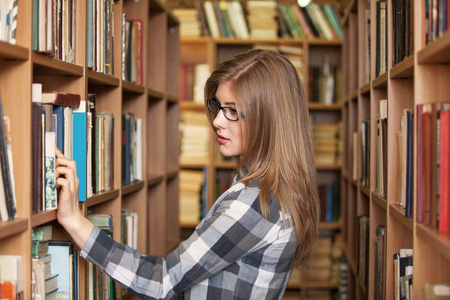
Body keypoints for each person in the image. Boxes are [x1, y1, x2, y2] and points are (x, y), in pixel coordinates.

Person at [56, 49, 320, 299]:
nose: (217, 120)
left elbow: (160, 282)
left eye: (233, 111)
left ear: (268, 120)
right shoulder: (275, 192)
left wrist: (74, 221)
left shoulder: (255, 203)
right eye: (218, 106)